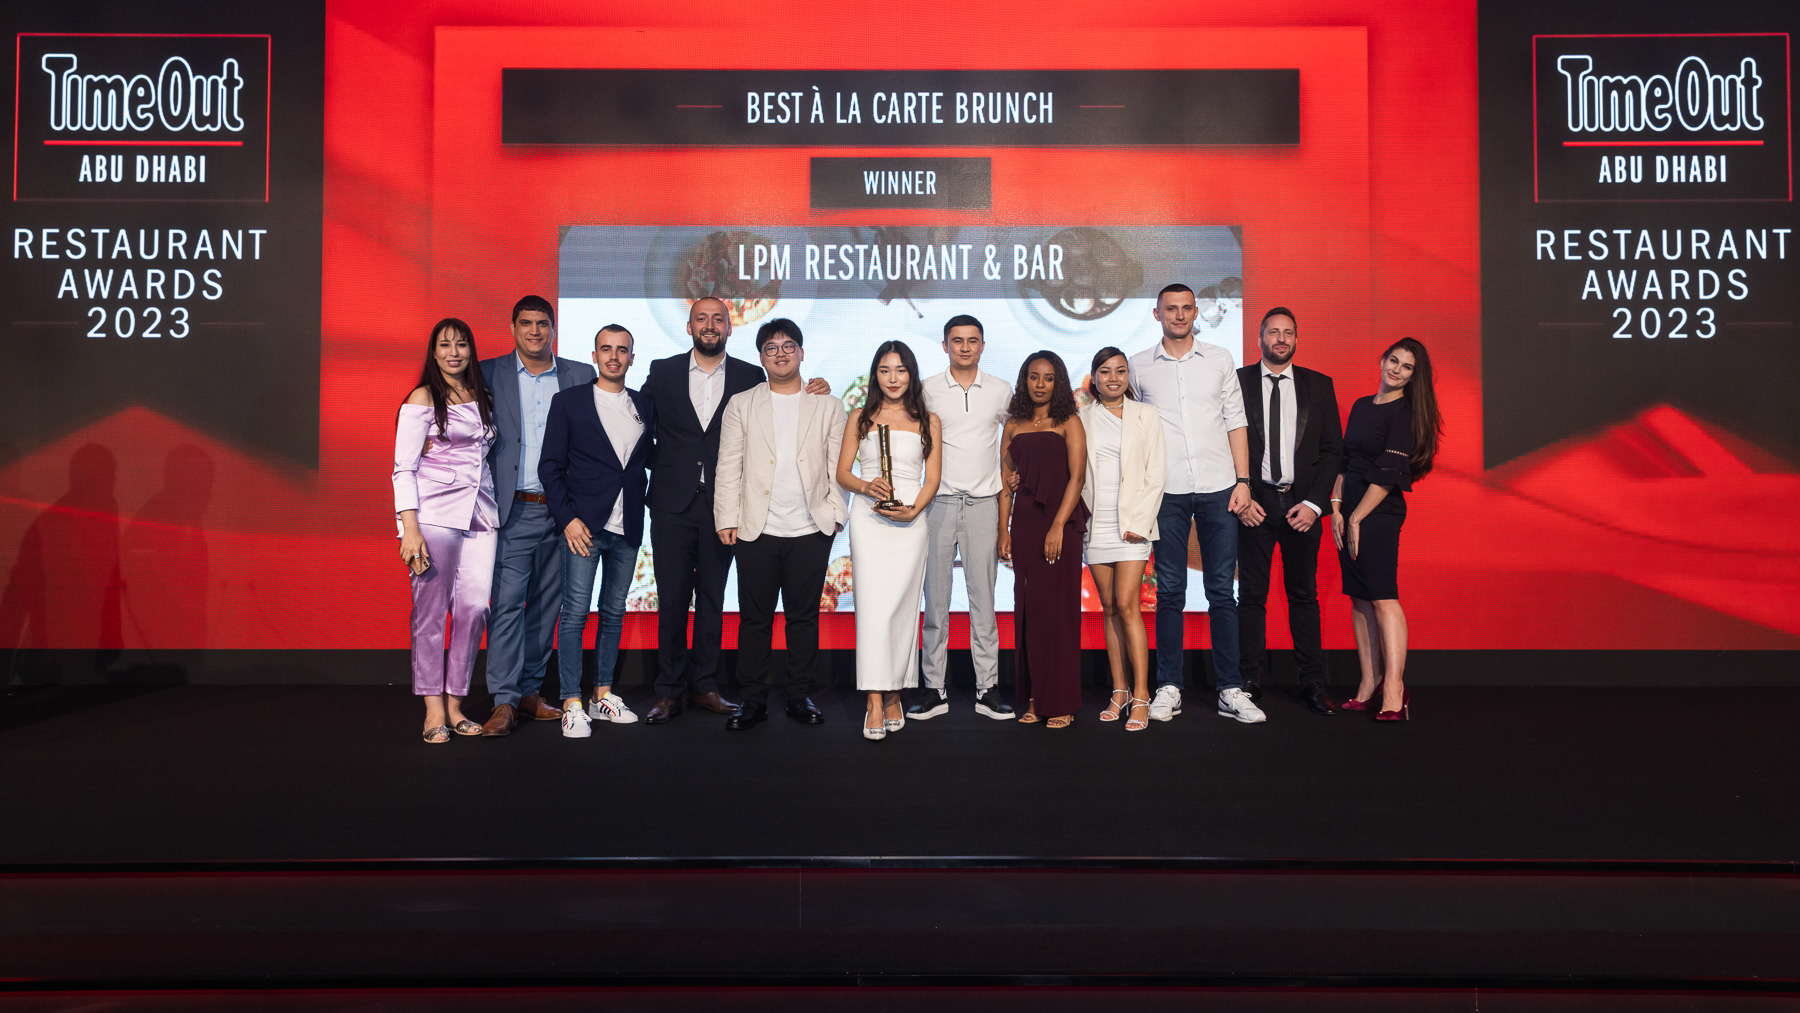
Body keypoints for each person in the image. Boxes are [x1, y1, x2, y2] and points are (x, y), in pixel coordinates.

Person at [641, 297, 830, 724]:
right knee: (672, 599)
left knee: (713, 597)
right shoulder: (662, 371)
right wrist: (665, 465)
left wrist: (817, 386)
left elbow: (786, 403)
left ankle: (705, 686)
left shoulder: (750, 374)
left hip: (726, 505)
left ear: (730, 327)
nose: (709, 325)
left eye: (718, 319)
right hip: (672, 504)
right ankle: (668, 691)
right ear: (689, 326)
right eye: (701, 319)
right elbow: (638, 425)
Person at [1129, 284, 1264, 725]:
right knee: (1169, 590)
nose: (1180, 315)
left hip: (1219, 486)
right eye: (1171, 309)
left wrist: (1243, 481)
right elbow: (1133, 430)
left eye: (1187, 308)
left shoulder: (1220, 359)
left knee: (1221, 591)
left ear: (1195, 312)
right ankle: (1169, 685)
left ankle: (1230, 688)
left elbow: (1236, 421)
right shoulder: (1138, 366)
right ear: (1157, 314)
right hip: (1165, 490)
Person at [714, 318, 847, 730]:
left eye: (789, 346)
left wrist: (835, 515)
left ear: (802, 352)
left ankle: (799, 696)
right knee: (754, 619)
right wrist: (727, 517)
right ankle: (752, 700)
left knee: (803, 619)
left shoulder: (828, 404)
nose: (781, 353)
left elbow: (839, 466)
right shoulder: (741, 403)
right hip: (756, 527)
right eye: (771, 348)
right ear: (761, 358)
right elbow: (728, 465)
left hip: (810, 528)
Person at [478, 296, 597, 737]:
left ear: (553, 328)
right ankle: (504, 700)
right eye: (525, 323)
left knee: (549, 605)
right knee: (508, 604)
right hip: (513, 509)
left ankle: (529, 691)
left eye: (542, 323)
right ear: (512, 328)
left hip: (565, 512)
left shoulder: (579, 375)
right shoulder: (488, 373)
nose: (534, 331)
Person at [538, 324, 656, 738]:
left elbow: (649, 460)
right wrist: (567, 519)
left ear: (631, 358)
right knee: (574, 613)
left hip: (628, 525)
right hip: (583, 527)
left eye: (622, 350)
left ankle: (602, 695)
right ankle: (571, 701)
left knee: (613, 612)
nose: (613, 356)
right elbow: (550, 467)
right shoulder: (569, 402)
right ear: (594, 356)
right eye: (606, 349)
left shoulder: (644, 405)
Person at [1235, 308, 1344, 717]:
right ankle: (1249, 682)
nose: (1281, 339)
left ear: (1296, 339)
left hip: (1303, 506)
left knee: (1304, 596)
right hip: (1255, 505)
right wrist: (1242, 496)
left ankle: (1313, 684)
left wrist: (1315, 504)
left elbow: (1333, 450)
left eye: (1288, 333)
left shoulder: (1319, 385)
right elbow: (1222, 442)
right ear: (1260, 338)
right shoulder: (1238, 382)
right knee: (1251, 596)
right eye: (1273, 332)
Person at [393, 318, 498, 743]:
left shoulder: (483, 396)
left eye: (461, 345)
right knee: (431, 614)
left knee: (474, 610)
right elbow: (403, 469)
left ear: (471, 350)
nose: (454, 352)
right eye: (445, 345)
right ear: (433, 352)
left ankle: (456, 704)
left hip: (482, 515)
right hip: (434, 516)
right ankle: (433, 709)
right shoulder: (422, 397)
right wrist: (409, 529)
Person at [1331, 337, 1442, 722]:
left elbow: (1388, 473)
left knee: (1381, 596)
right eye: (1393, 360)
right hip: (1349, 511)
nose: (1396, 369)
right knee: (1359, 598)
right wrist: (1337, 507)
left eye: (1406, 367)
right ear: (1382, 360)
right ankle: (1368, 683)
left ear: (1413, 376)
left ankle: (1394, 687)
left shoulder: (1405, 412)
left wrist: (1357, 517)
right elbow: (1346, 462)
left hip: (1379, 514)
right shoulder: (1362, 405)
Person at [837, 340, 942, 741]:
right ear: (875, 374)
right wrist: (866, 486)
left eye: (900, 370)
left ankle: (896, 692)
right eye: (884, 370)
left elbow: (932, 478)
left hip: (911, 522)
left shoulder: (929, 420)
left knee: (902, 611)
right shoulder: (859, 417)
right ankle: (874, 700)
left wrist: (915, 510)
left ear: (911, 374)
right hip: (869, 521)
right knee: (873, 610)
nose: (893, 378)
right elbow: (842, 473)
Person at [912, 314, 1014, 721]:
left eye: (973, 340)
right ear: (945, 346)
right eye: (958, 340)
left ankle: (987, 689)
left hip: (984, 504)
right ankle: (933, 690)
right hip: (937, 503)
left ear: (983, 346)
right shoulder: (926, 389)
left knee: (983, 603)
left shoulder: (1001, 390)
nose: (965, 347)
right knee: (935, 602)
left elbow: (1016, 436)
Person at [999, 351, 1088, 729]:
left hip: (1060, 525)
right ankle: (1035, 698)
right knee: (1029, 613)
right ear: (1024, 380)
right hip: (1024, 526)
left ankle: (1062, 701)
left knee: (1059, 614)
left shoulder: (1069, 421)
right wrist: (1003, 529)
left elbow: (1077, 477)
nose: (1040, 384)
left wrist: (1057, 526)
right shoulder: (1014, 424)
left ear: (1058, 382)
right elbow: (1006, 483)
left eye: (1048, 378)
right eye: (1034, 377)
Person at [1079, 346, 1165, 732]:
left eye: (1120, 370)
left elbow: (1157, 473)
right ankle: (1120, 690)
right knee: (1109, 607)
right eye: (1105, 371)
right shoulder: (1081, 418)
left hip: (1134, 524)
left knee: (1129, 604)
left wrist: (1142, 523)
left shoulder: (1146, 414)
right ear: (1094, 377)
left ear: (1128, 376)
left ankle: (1142, 694)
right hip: (1096, 523)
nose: (1113, 378)